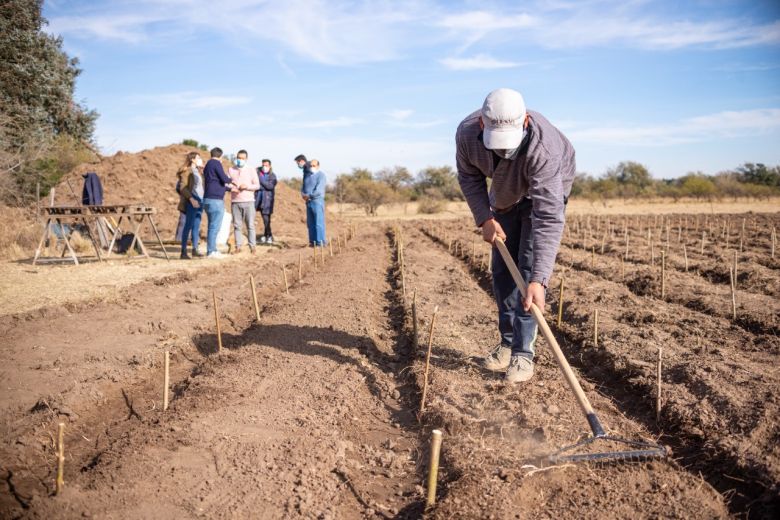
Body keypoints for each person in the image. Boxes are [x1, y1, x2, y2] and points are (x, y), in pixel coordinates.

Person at [457, 88, 576, 383]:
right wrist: (484, 217)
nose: (502, 149)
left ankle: (523, 354)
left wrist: (540, 279)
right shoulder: (466, 134)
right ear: (482, 125)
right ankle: (508, 345)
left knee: (527, 272)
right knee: (501, 272)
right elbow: (469, 176)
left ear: (524, 123)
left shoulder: (544, 149)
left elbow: (548, 216)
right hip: (505, 194)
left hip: (543, 192)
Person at [202, 147, 235, 258]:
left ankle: (213, 249)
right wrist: (233, 181)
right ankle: (211, 251)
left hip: (208, 199)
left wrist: (229, 189)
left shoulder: (207, 165)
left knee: (212, 226)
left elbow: (216, 183)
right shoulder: (216, 163)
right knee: (214, 227)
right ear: (221, 156)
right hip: (215, 200)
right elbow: (224, 179)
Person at [227, 149, 259, 253]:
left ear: (246, 159)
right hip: (235, 201)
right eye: (238, 158)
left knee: (250, 225)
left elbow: (257, 185)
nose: (240, 160)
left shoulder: (251, 170)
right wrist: (233, 188)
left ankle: (252, 246)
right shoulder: (231, 169)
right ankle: (238, 247)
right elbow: (226, 184)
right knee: (237, 226)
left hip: (249, 201)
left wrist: (247, 187)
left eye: (242, 158)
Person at [176, 151, 204, 259]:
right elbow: (183, 187)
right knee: (188, 226)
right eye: (198, 157)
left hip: (200, 200)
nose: (200, 159)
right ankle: (183, 252)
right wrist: (191, 198)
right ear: (192, 159)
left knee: (196, 226)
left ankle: (195, 250)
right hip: (192, 200)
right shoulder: (186, 171)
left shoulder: (198, 171)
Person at [297, 155, 327, 246]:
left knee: (319, 223)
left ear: (318, 166)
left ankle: (320, 242)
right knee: (310, 223)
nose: (312, 167)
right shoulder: (307, 175)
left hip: (317, 201)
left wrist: (309, 195)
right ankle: (312, 242)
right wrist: (303, 194)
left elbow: (319, 190)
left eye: (314, 165)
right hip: (308, 201)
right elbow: (304, 186)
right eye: (310, 165)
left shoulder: (321, 175)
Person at [255, 158, 278, 244]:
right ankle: (266, 235)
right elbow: (255, 185)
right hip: (258, 199)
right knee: (264, 218)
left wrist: (260, 181)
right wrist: (261, 186)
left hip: (267, 201)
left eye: (266, 165)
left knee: (266, 219)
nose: (264, 167)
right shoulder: (257, 173)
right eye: (263, 165)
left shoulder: (272, 176)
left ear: (270, 166)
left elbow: (270, 186)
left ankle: (269, 236)